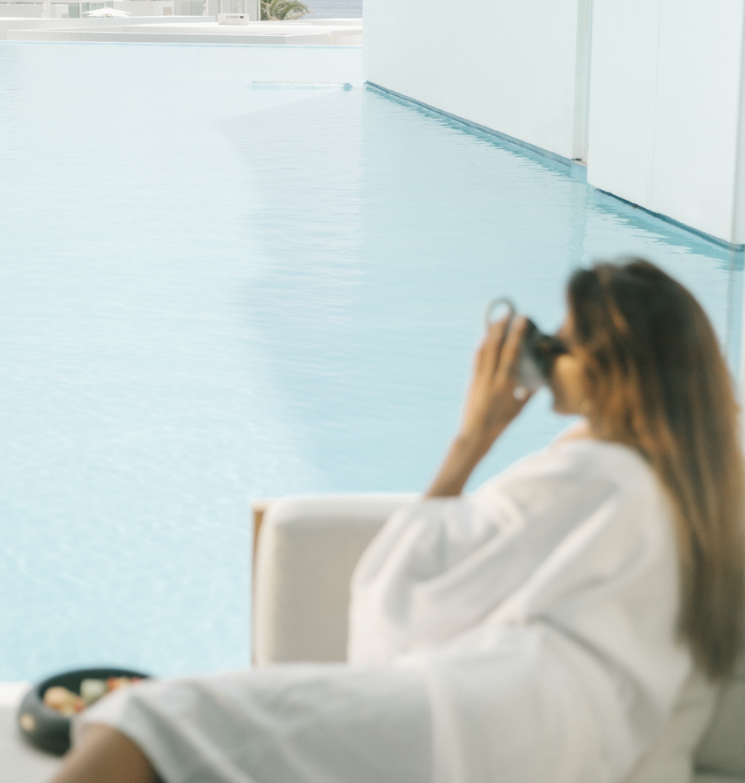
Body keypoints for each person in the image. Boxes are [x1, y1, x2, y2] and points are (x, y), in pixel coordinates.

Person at [50, 259, 744, 783]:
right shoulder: (700, 485)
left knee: (153, 718)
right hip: (581, 738)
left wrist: (474, 436)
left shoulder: (597, 473)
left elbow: (407, 590)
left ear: (611, 365)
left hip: (492, 721)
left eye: (563, 344)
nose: (549, 358)